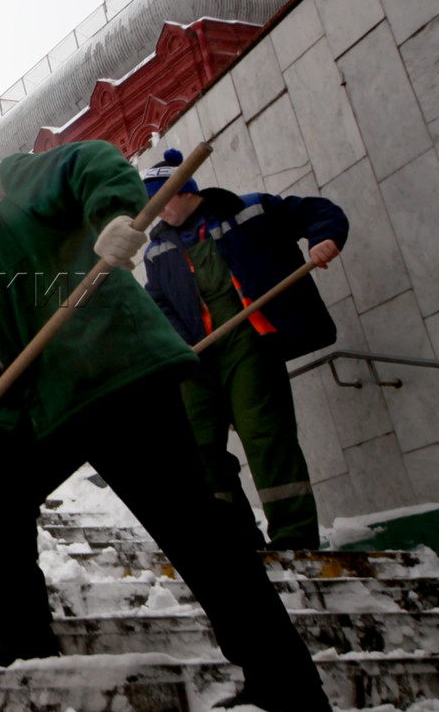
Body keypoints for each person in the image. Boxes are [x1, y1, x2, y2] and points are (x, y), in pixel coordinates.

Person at [0, 142, 331, 712]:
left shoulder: (7, 183)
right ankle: (23, 634)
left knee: (192, 527)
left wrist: (116, 218)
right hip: (52, 400)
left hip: (116, 376)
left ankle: (285, 681)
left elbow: (93, 163)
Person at [141, 149, 348, 551]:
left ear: (185, 191)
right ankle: (231, 536)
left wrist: (325, 239)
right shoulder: (157, 251)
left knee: (264, 433)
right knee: (197, 445)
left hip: (250, 339)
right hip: (195, 355)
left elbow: (317, 211)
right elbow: (159, 303)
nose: (158, 213)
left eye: (161, 201)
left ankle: (294, 535)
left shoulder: (249, 212)